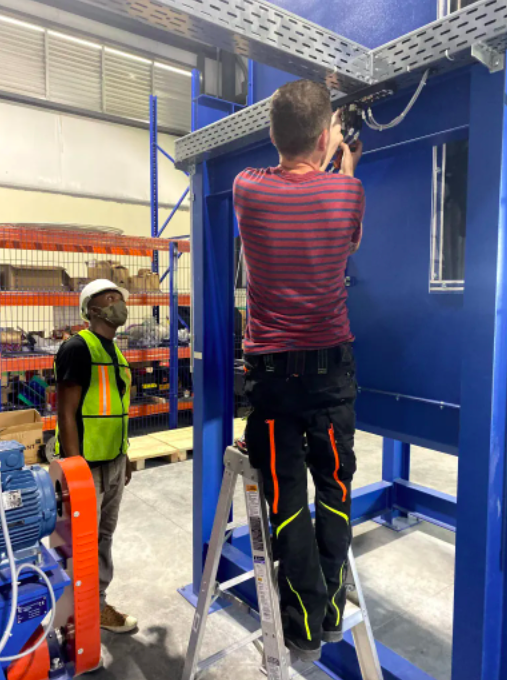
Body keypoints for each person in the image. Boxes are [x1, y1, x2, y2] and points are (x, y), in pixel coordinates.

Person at [233, 80, 364, 662]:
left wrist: (321, 144)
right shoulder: (348, 193)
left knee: (286, 498)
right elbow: (346, 238)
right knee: (333, 489)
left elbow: (285, 167)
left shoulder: (246, 190)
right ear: (324, 136)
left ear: (270, 135)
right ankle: (329, 614)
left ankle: (302, 622)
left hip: (272, 381)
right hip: (331, 377)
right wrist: (341, 156)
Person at [55, 279, 137, 634]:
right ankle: (75, 619)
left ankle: (95, 605)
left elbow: (116, 409)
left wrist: (126, 456)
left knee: (103, 537)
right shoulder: (78, 347)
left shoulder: (115, 351)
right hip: (87, 465)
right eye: (111, 297)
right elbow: (66, 411)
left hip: (114, 462)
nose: (119, 302)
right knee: (81, 541)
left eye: (120, 297)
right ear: (92, 308)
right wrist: (75, 471)